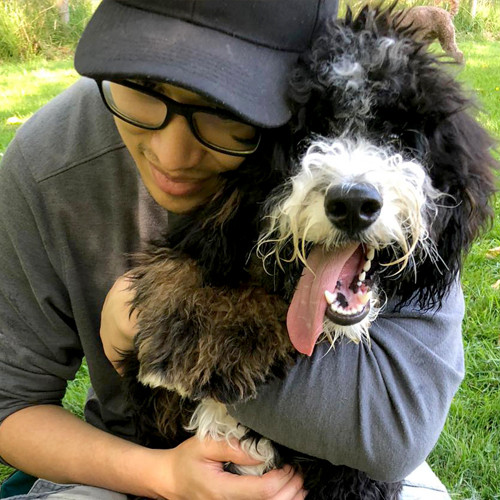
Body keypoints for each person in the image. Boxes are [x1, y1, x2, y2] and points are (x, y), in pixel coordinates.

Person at [0, 0, 464, 499]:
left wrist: (157, 328)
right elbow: (11, 407)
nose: (171, 156)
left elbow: (394, 434)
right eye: (141, 87)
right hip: (132, 458)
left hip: (347, 465)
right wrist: (162, 477)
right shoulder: (47, 162)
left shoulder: (395, 171)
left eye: (220, 109)